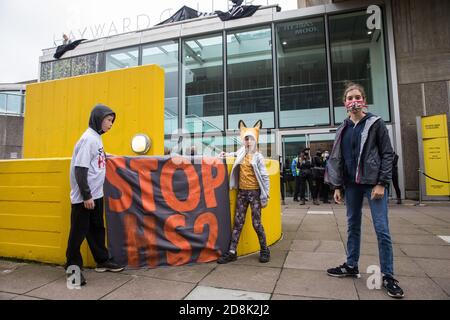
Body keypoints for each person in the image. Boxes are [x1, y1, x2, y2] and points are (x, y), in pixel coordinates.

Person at [325, 82, 404, 299]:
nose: (353, 101)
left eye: (357, 97)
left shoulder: (375, 123)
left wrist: (382, 183)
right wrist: (338, 186)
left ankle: (388, 276)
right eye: (349, 98)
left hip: (373, 184)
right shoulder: (343, 128)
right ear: (344, 103)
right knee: (352, 226)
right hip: (351, 185)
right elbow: (338, 159)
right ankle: (351, 265)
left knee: (382, 229)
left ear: (364, 101)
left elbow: (388, 154)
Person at [65, 104, 124, 286]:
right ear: (98, 118)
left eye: (112, 121)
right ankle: (72, 269)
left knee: (97, 229)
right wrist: (86, 196)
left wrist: (108, 156)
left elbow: (96, 159)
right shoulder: (88, 139)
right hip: (85, 197)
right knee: (78, 233)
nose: (110, 124)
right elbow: (80, 169)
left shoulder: (96, 138)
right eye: (108, 120)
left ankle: (102, 260)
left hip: (96, 194)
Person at [217, 120, 270, 264]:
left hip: (255, 194)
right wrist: (225, 154)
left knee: (256, 223)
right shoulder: (241, 152)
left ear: (255, 140)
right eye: (246, 138)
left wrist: (266, 195)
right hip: (242, 193)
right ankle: (232, 252)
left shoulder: (258, 156)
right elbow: (234, 154)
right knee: (238, 222)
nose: (248, 141)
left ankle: (265, 249)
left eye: (251, 138)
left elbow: (264, 177)